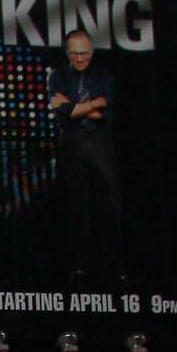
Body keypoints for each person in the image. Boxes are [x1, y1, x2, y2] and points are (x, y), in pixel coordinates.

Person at [48, 31, 123, 287]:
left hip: (102, 145)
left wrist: (73, 105)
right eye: (75, 53)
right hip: (73, 145)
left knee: (110, 205)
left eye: (84, 53)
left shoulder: (104, 76)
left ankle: (114, 268)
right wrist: (94, 103)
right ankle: (84, 268)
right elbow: (63, 115)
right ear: (67, 53)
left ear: (91, 51)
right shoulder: (57, 76)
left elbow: (107, 116)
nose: (80, 58)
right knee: (79, 206)